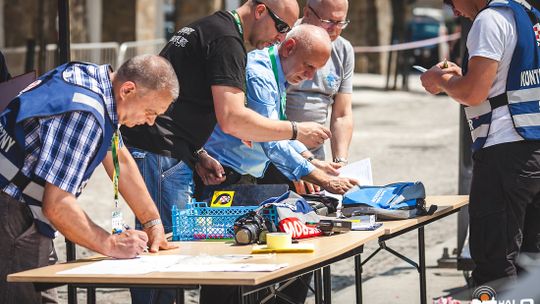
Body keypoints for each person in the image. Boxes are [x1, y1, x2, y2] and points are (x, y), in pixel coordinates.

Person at [122, 0, 332, 303]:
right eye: (281, 27)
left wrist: (198, 154)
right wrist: (296, 130)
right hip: (160, 152)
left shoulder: (212, 27)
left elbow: (182, 103)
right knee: (163, 258)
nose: (282, 37)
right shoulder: (227, 41)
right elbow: (233, 119)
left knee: (165, 255)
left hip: (168, 151)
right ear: (260, 11)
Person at [0, 54, 178, 304]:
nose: (150, 121)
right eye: (150, 111)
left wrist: (152, 223)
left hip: (19, 202)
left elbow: (119, 158)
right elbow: (58, 205)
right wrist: (111, 244)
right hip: (12, 208)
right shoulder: (87, 113)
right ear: (128, 90)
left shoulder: (96, 81)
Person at [421, 0, 540, 290]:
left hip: (504, 150)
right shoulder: (526, 14)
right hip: (533, 148)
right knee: (531, 261)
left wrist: (441, 79)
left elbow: (474, 92)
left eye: (450, 1)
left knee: (494, 263)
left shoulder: (489, 20)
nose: (452, 9)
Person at [202, 24, 358, 196]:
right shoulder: (260, 75)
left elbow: (278, 130)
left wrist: (314, 162)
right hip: (220, 172)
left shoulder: (278, 71)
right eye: (309, 66)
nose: (310, 76)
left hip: (240, 169)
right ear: (289, 48)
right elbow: (273, 142)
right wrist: (325, 180)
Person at [258, 0, 355, 194]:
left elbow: (342, 114)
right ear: (308, 13)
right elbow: (269, 117)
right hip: (276, 155)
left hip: (313, 157)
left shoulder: (344, 50)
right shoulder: (284, 39)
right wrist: (302, 167)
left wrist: (339, 163)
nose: (334, 29)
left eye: (341, 23)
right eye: (329, 21)